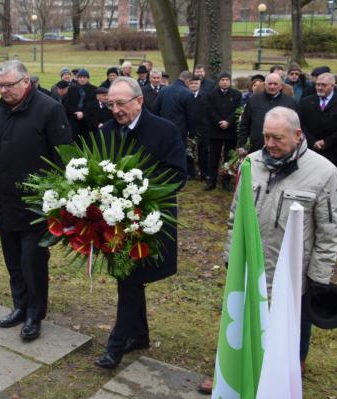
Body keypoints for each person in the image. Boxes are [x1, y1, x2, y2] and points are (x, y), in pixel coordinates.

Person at [200, 106, 337, 394]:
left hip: (291, 274)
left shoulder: (323, 172)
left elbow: (329, 232)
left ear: (298, 135)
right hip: (251, 268)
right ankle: (234, 375)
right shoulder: (251, 163)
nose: (270, 144)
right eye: (266, 137)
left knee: (287, 330)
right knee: (245, 323)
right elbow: (235, 216)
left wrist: (318, 278)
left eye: (277, 138)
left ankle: (285, 378)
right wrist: (232, 257)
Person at [94, 77, 186, 369]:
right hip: (115, 223)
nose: (116, 110)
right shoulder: (106, 131)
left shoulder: (164, 130)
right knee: (127, 279)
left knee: (130, 279)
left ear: (139, 101)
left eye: (121, 103)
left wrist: (140, 194)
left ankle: (116, 345)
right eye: (111, 104)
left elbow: (177, 175)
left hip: (148, 222)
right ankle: (139, 335)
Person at [0, 60, 72, 341]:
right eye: (0, 85)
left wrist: (57, 202)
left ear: (25, 83)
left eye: (9, 85)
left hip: (36, 207)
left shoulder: (49, 109)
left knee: (32, 262)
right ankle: (20, 306)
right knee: (13, 262)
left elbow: (64, 159)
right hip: (4, 203)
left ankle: (35, 313)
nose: (4, 90)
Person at [299, 72, 337, 210]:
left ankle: (336, 209)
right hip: (312, 150)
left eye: (323, 85)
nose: (319, 87)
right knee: (310, 179)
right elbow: (301, 124)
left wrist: (326, 142)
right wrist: (313, 142)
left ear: (332, 86)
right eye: (317, 84)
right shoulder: (306, 101)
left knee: (335, 182)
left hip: (336, 150)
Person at [237, 73, 296, 154]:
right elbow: (244, 124)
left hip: (280, 149)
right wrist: (241, 145)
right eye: (270, 84)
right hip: (256, 148)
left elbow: (294, 127)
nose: (272, 86)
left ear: (281, 86)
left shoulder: (290, 102)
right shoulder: (253, 100)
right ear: (265, 85)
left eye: (275, 84)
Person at [204, 72, 242, 191]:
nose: (225, 82)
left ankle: (226, 181)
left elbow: (238, 109)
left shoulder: (237, 94)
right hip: (215, 130)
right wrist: (219, 121)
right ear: (218, 81)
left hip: (230, 131)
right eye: (222, 80)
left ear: (230, 82)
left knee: (228, 157)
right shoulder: (211, 94)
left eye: (227, 80)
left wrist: (228, 122)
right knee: (213, 157)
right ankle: (212, 181)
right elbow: (209, 110)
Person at [187, 75, 210, 181]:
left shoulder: (205, 96)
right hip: (189, 128)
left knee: (203, 152)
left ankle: (204, 173)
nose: (194, 85)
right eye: (192, 83)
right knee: (188, 151)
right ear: (189, 84)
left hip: (203, 129)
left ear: (200, 84)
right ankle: (190, 173)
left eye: (196, 83)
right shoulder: (186, 96)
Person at [63, 68, 96, 141]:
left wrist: (83, 113)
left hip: (88, 120)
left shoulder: (93, 89)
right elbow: (67, 104)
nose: (82, 79)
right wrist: (76, 112)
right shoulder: (71, 89)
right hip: (74, 119)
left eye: (84, 77)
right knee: (74, 139)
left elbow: (93, 104)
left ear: (87, 78)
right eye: (80, 77)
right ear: (77, 78)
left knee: (88, 140)